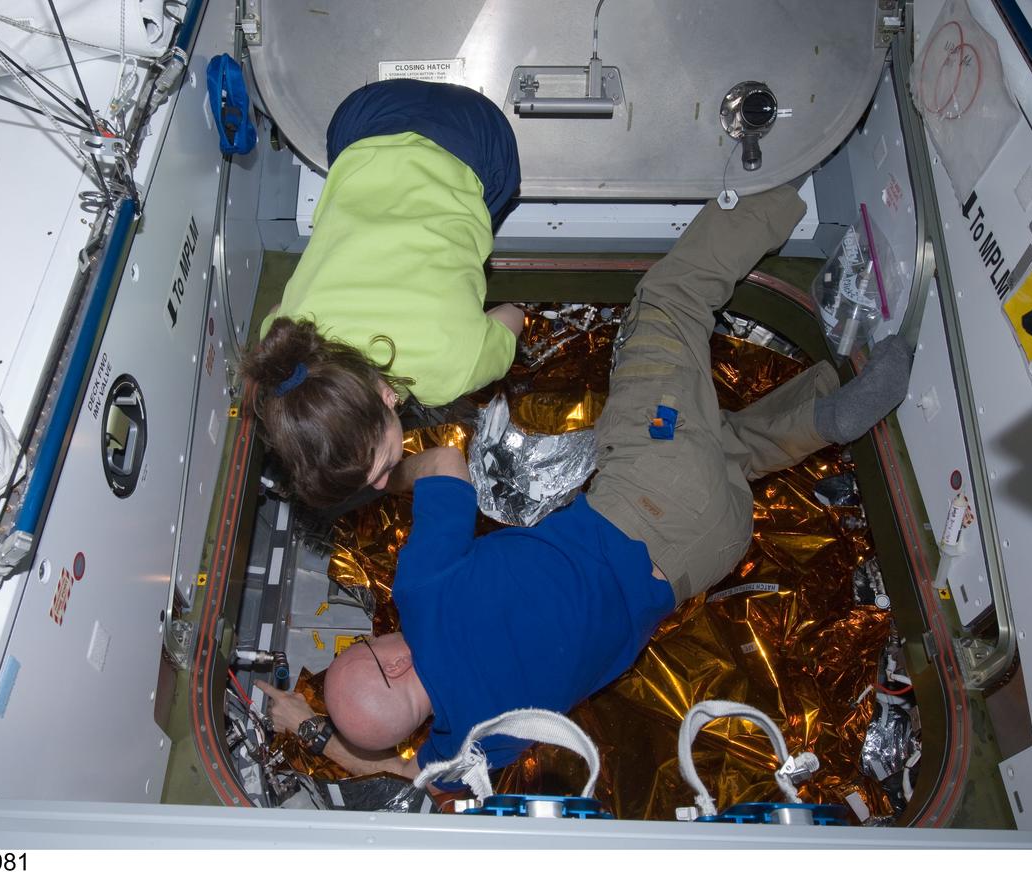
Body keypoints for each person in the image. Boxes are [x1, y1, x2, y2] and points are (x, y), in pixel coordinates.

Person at [257, 185, 914, 784]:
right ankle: (791, 192)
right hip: (650, 489)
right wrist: (385, 476)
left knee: (728, 454)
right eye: (367, 646)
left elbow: (408, 774)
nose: (376, 638)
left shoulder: (479, 742)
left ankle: (828, 414)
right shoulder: (423, 593)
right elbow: (449, 463)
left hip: (708, 551)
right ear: (393, 662)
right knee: (670, 300)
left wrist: (312, 732)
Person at [240, 79, 525, 508]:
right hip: (362, 115)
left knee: (496, 198)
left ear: (387, 398)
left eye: (383, 467)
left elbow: (513, 314)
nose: (382, 484)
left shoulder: (449, 372)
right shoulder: (287, 343)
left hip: (475, 131)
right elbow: (277, 310)